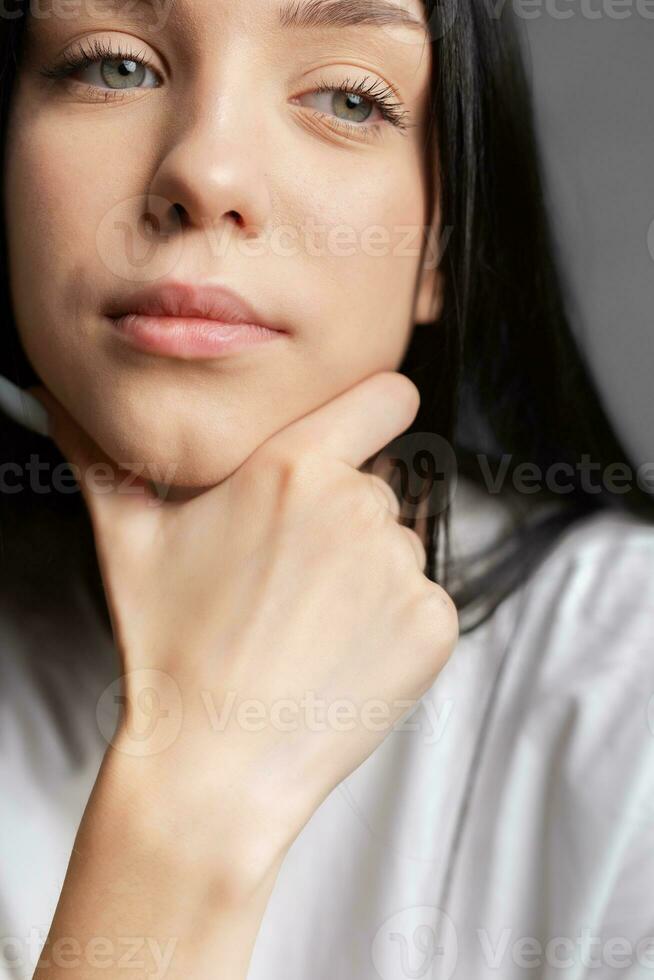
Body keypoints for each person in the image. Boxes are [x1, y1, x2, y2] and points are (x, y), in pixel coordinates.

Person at [0, 0, 653, 977]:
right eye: (116, 66)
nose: (206, 174)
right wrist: (187, 807)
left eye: (349, 96)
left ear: (443, 236)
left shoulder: (628, 675)